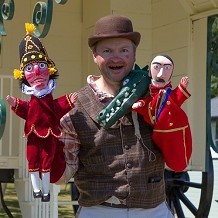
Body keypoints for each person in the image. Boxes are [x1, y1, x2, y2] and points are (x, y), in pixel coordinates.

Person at [60, 15, 174, 217]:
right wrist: (43, 144)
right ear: (94, 55)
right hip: (98, 211)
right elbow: (62, 176)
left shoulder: (158, 96)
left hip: (153, 211)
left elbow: (178, 153)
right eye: (107, 51)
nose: (116, 58)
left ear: (134, 54)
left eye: (124, 50)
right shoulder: (74, 108)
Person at [6, 23, 77, 202]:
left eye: (41, 66)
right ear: (23, 74)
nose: (37, 72)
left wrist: (69, 100)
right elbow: (28, 111)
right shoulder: (33, 98)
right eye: (29, 69)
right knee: (32, 161)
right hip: (33, 133)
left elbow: (57, 107)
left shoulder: (48, 97)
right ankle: (36, 190)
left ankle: (45, 192)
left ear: (50, 70)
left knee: (47, 162)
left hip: (50, 133)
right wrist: (15, 104)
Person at [132, 54, 192, 172]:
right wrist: (140, 104)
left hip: (178, 127)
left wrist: (181, 87)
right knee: (162, 147)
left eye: (167, 68)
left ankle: (178, 164)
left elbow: (177, 98)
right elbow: (149, 104)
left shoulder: (170, 93)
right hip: (159, 129)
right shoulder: (150, 93)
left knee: (178, 149)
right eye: (157, 67)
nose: (161, 74)